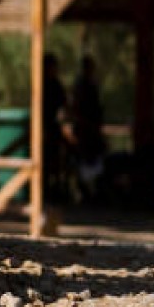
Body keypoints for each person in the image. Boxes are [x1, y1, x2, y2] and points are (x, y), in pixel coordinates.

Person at [71, 55, 105, 199]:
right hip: (85, 129)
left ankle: (92, 191)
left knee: (94, 159)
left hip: (91, 129)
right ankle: (85, 191)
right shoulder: (81, 85)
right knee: (84, 160)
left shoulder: (91, 84)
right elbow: (77, 108)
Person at [42, 53, 68, 197]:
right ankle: (45, 191)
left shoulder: (56, 85)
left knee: (57, 162)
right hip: (44, 128)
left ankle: (57, 190)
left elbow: (64, 106)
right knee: (44, 162)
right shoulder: (42, 84)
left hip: (53, 128)